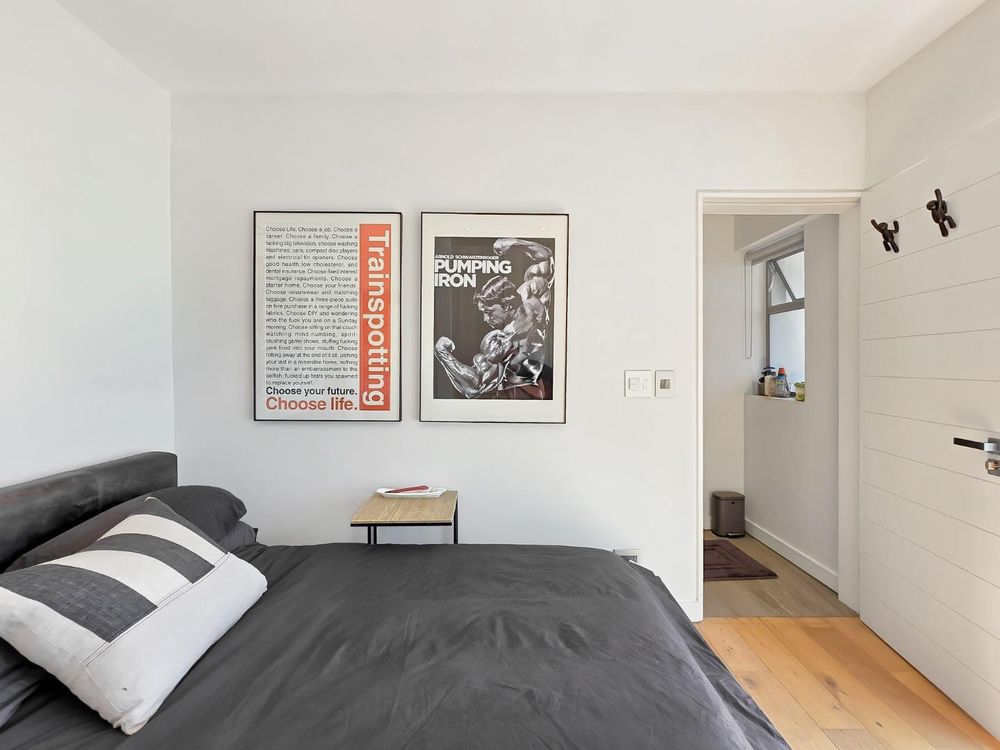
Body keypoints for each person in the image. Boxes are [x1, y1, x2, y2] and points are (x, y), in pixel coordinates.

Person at [434, 237, 554, 399]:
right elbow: (545, 258)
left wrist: (442, 353)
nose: (485, 319)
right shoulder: (533, 297)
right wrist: (514, 242)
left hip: (518, 398)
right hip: (531, 392)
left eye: (489, 312)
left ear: (506, 305)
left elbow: (475, 387)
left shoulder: (503, 340)